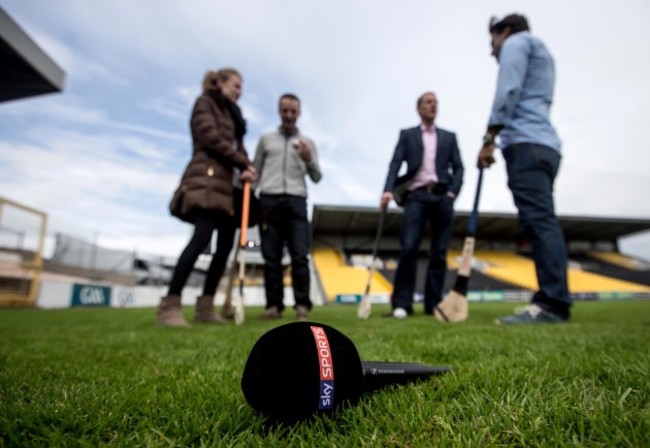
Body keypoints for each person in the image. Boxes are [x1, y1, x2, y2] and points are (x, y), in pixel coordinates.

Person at [478, 14, 571, 324]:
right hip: (545, 145)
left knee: (539, 223)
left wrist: (489, 137)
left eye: (492, 41)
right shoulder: (541, 49)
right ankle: (554, 299)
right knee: (543, 221)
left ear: (504, 31)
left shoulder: (516, 44)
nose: (492, 50)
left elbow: (507, 91)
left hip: (526, 144)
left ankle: (552, 303)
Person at [158, 68, 258, 327]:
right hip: (208, 181)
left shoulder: (235, 120)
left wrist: (246, 168)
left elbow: (237, 150)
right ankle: (170, 304)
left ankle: (206, 306)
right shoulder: (206, 103)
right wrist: (242, 161)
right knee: (201, 238)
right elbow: (210, 138)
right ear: (220, 82)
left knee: (224, 247)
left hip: (229, 189)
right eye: (236, 85)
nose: (240, 91)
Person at [381, 92, 464, 318]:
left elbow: (459, 168)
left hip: (441, 197)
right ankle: (402, 303)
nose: (432, 105)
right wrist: (388, 190)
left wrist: (451, 193)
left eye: (435, 102)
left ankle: (433, 303)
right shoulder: (407, 135)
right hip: (415, 196)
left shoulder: (449, 137)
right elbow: (395, 163)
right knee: (409, 248)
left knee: (439, 252)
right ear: (418, 108)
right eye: (428, 102)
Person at [253, 93, 322, 320]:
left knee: (300, 255)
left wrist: (309, 158)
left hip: (296, 200)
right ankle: (274, 306)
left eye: (293, 111)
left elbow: (317, 176)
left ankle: (302, 305)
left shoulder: (307, 143)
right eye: (285, 111)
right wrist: (249, 187)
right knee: (271, 257)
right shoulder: (265, 140)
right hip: (269, 200)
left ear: (299, 113)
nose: (289, 115)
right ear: (279, 111)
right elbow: (256, 171)